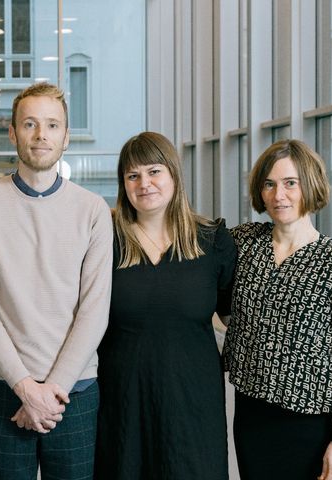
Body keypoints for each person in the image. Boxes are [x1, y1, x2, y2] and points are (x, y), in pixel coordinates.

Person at [0, 82, 113, 480]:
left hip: (75, 390)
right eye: (30, 124)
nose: (41, 134)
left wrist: (52, 390)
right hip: (4, 385)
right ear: (13, 133)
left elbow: (94, 312)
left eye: (52, 125)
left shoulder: (93, 210)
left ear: (66, 137)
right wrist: (26, 388)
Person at [223, 139, 332, 480]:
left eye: (291, 183)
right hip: (252, 417)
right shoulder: (245, 242)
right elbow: (193, 247)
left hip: (316, 427)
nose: (279, 195)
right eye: (269, 184)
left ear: (310, 185)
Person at [93, 132, 236, 479]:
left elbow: (237, 317)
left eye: (154, 171)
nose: (145, 183)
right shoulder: (104, 240)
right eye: (133, 175)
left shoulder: (212, 240)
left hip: (193, 403)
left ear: (173, 173)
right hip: (122, 402)